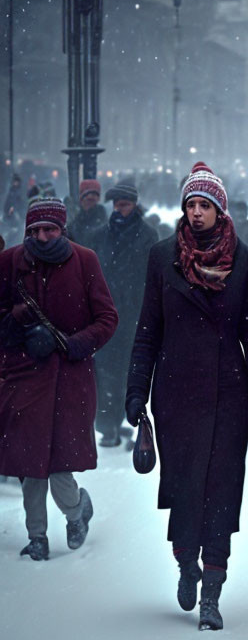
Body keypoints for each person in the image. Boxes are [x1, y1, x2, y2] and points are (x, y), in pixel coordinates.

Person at [126, 162, 248, 631]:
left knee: (222, 491)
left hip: (229, 392)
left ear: (220, 210)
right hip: (177, 393)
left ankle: (213, 593)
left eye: (205, 205)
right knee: (185, 488)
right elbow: (148, 329)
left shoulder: (244, 261)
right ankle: (187, 564)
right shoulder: (163, 257)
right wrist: (135, 393)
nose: (197, 212)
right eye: (191, 204)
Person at [0, 197, 118, 560]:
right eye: (35, 230)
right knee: (28, 464)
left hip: (69, 378)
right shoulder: (9, 263)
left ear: (62, 229)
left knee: (59, 464)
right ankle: (37, 536)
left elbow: (107, 319)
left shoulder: (85, 261)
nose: (43, 237)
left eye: (49, 229)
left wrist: (72, 343)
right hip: (23, 376)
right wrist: (17, 320)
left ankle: (76, 509)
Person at [91, 178, 159, 446]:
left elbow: (150, 276)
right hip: (106, 316)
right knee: (106, 372)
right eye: (117, 205)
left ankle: (129, 420)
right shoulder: (100, 236)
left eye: (125, 205)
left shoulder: (148, 235)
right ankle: (108, 426)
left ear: (134, 205)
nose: (120, 210)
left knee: (130, 372)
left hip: (134, 315)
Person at [66, 178, 108, 245]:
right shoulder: (75, 222)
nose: (90, 198)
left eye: (92, 199)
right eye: (87, 198)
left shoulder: (103, 222)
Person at [2, 174, 27, 247]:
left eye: (16, 182)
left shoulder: (21, 191)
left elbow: (22, 202)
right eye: (14, 182)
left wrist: (15, 209)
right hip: (9, 214)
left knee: (16, 231)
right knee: (9, 228)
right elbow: (8, 201)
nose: (15, 183)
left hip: (17, 214)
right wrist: (6, 210)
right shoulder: (11, 190)